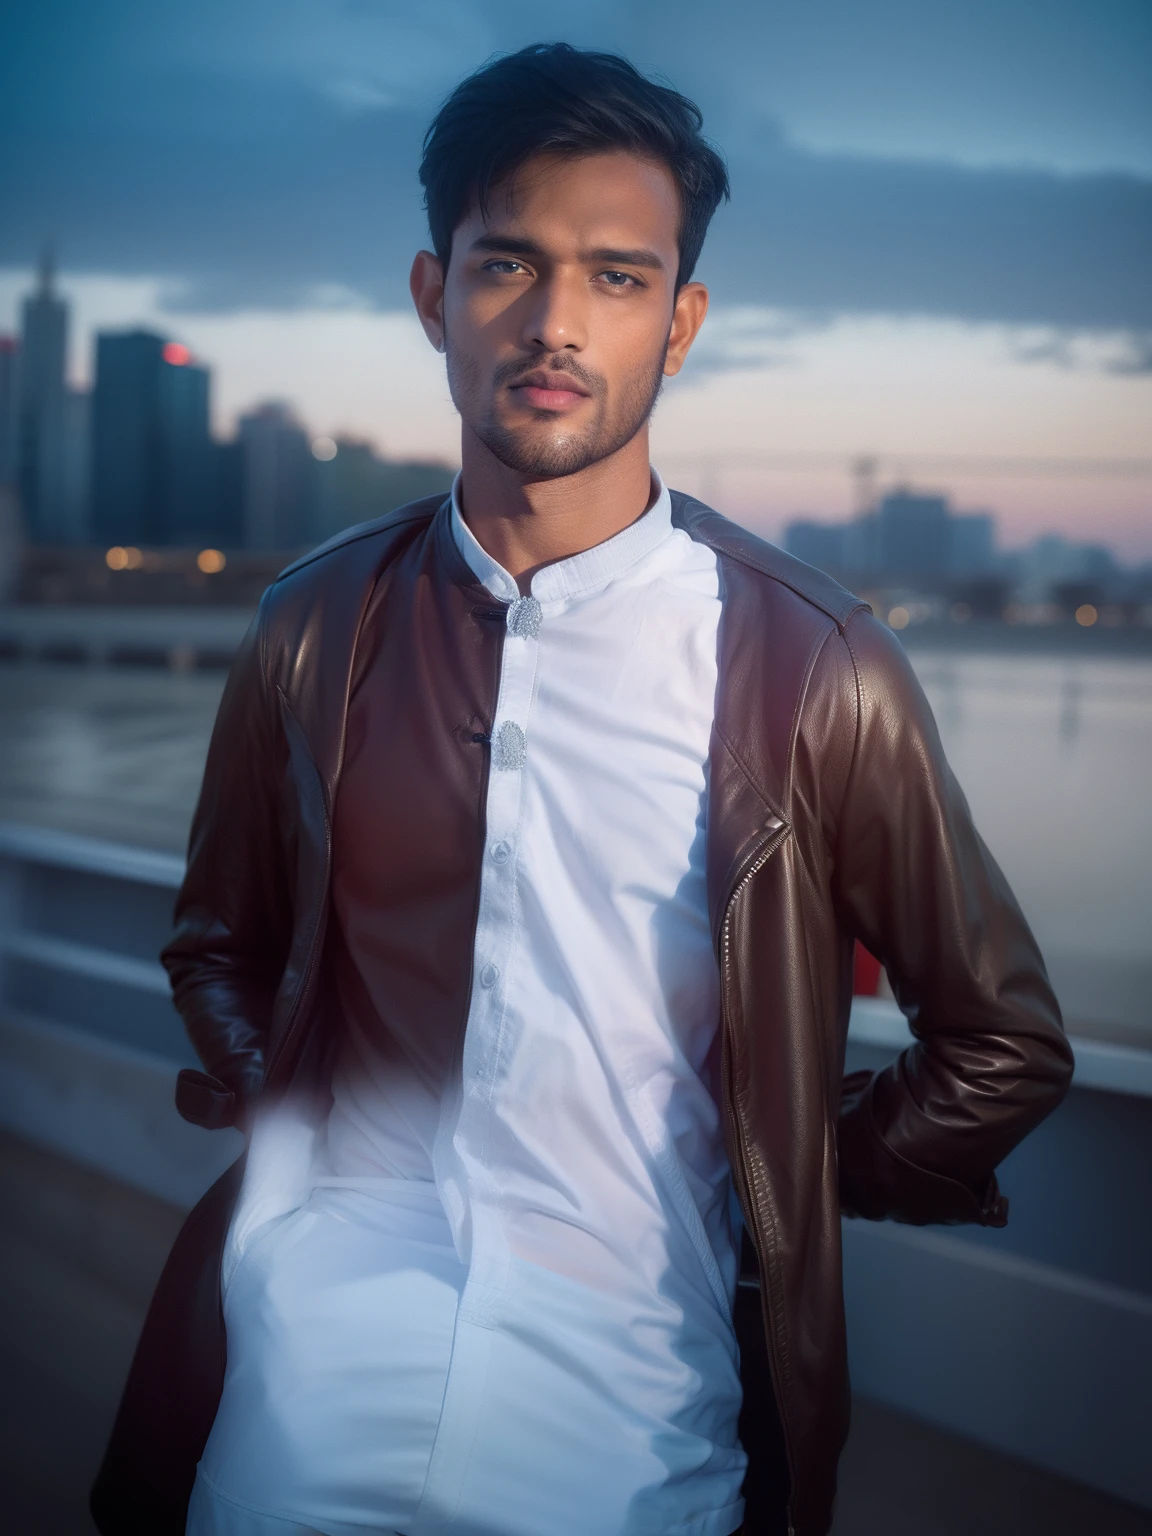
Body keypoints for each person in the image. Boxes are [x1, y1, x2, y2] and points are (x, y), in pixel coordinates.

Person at [91, 42, 1073, 1536]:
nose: (556, 322)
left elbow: (1001, 1043)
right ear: (435, 297)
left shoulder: (813, 667)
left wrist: (779, 1173)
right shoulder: (312, 623)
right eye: (510, 265)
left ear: (680, 324)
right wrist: (287, 1105)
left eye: (618, 277)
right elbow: (216, 939)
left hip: (631, 1422)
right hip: (300, 1386)